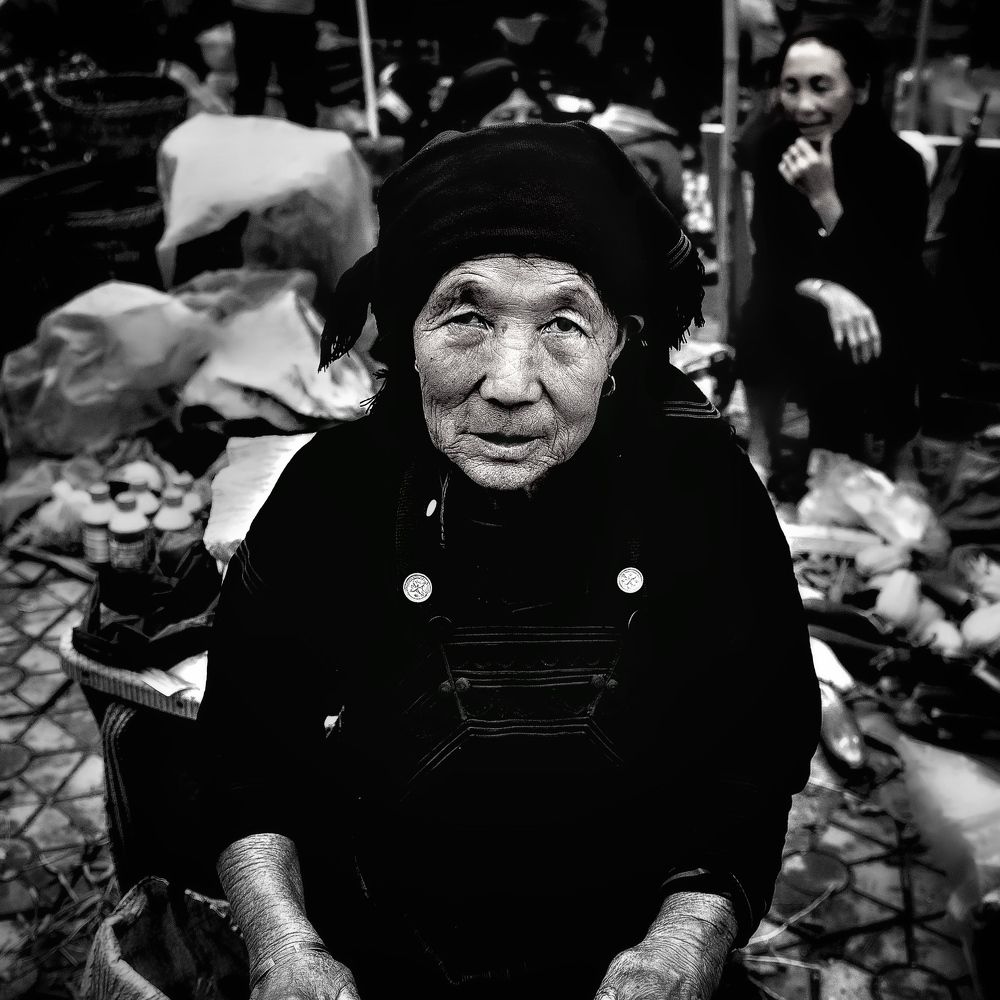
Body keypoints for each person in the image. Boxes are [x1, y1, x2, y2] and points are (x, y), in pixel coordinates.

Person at [197, 122, 819, 998]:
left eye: (564, 324)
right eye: (466, 318)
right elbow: (245, 755)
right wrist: (285, 946)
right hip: (375, 955)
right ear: (406, 332)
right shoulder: (334, 492)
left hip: (633, 958)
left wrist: (686, 942)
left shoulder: (702, 491)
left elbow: (754, 753)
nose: (510, 383)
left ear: (620, 344)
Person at [735, 19, 928, 486]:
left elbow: (892, 266)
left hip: (877, 298)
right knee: (761, 310)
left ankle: (897, 453)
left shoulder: (899, 164)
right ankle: (761, 450)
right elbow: (773, 254)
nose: (804, 105)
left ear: (860, 90)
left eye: (821, 87)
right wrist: (827, 290)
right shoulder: (773, 150)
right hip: (801, 291)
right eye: (791, 87)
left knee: (900, 315)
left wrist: (824, 196)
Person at [230, 0, 317, 127]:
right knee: (297, 90)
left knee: (297, 90)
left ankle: (242, 132)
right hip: (257, 10)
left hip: (289, 12)